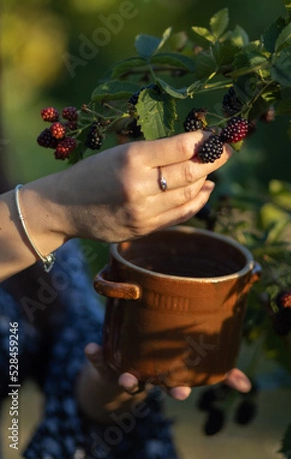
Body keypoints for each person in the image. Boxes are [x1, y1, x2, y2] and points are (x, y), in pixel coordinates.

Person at [0, 131, 251, 458]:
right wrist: (52, 209)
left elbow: (74, 369)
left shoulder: (46, 258)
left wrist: (122, 370)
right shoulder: (37, 215)